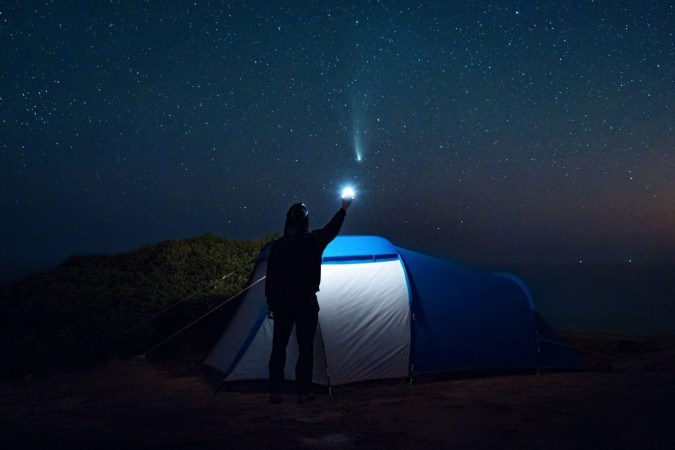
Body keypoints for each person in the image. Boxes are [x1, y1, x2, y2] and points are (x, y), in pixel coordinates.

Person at [265, 194, 352, 404]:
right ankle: (303, 390)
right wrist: (343, 209)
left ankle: (276, 390)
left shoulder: (278, 246)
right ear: (306, 221)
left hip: (283, 303)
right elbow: (332, 229)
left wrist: (271, 304)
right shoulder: (313, 241)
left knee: (279, 346)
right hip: (306, 302)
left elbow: (272, 278)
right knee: (305, 348)